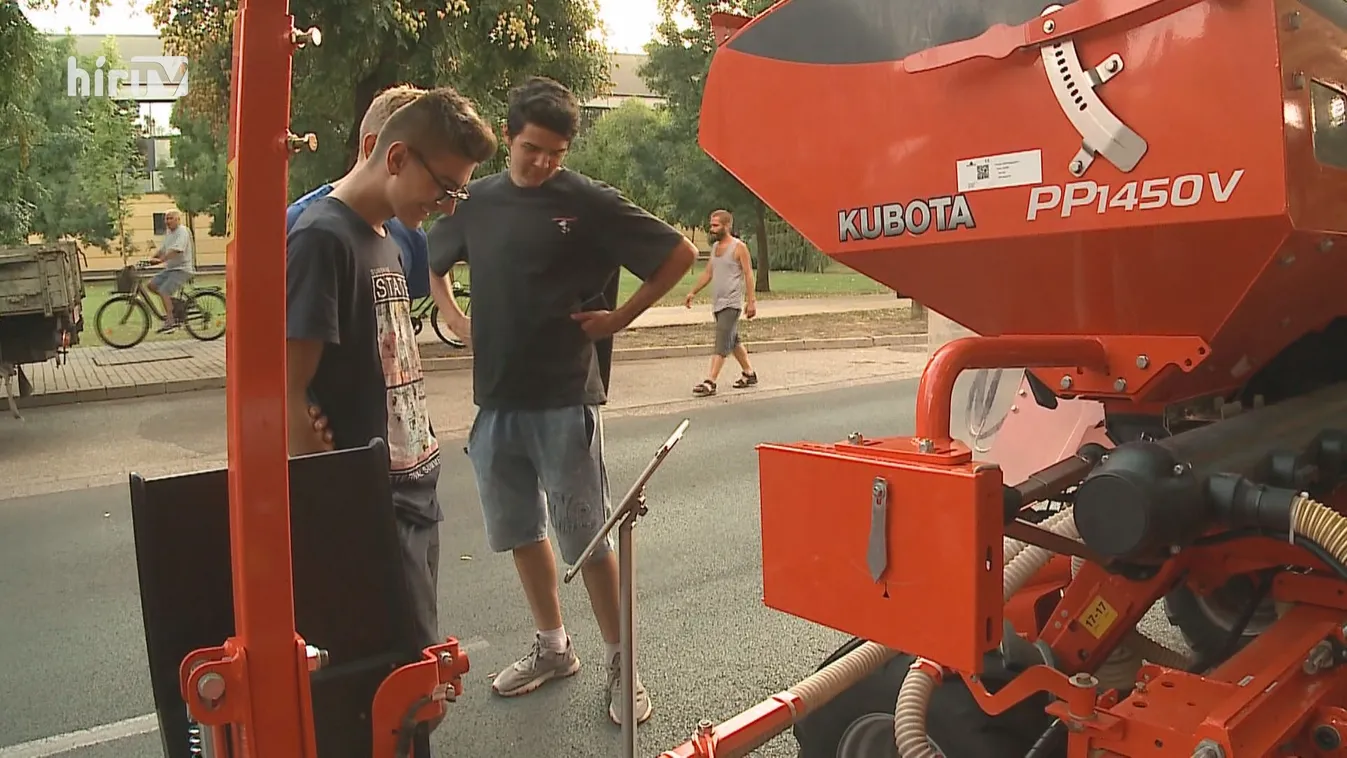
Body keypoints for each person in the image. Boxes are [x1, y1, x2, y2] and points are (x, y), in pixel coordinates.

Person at [425, 75, 697, 726]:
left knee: (588, 539)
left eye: (557, 152)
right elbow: (434, 259)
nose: (544, 162)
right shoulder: (477, 203)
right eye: (532, 149)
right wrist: (454, 317)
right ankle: (553, 648)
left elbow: (678, 253)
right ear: (510, 137)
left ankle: (621, 662)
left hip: (563, 398)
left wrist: (619, 318)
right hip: (495, 401)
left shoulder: (588, 202)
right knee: (520, 530)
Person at [284, 86, 497, 754]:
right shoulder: (321, 239)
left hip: (411, 493)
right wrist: (335, 501)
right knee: (391, 699)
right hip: (368, 513)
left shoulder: (390, 238)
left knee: (419, 690)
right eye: (444, 188)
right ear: (396, 156)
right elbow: (284, 393)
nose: (445, 206)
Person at [287, 84, 469, 346]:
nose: (446, 206)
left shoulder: (410, 230)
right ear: (377, 149)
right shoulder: (303, 229)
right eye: (442, 184)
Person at [683, 209, 758, 396]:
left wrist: (751, 302)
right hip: (717, 303)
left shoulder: (739, 247)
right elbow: (708, 273)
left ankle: (710, 381)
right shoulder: (716, 248)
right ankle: (749, 373)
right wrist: (693, 292)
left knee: (722, 340)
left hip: (731, 303)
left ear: (727, 226)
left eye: (716, 225)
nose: (712, 228)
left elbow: (749, 274)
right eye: (711, 225)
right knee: (732, 340)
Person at [147, 209, 195, 333]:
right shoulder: (169, 233)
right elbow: (163, 249)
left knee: (164, 291)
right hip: (171, 269)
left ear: (178, 219)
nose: (167, 221)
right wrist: (151, 258)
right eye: (166, 219)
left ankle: (170, 321)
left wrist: (160, 260)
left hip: (182, 269)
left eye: (170, 218)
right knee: (151, 285)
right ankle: (175, 305)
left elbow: (177, 250)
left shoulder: (182, 231)